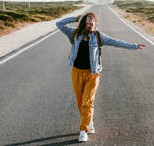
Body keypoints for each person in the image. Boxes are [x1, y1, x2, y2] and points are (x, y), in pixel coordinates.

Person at [55, 11, 146, 142]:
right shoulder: (74, 33)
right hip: (76, 72)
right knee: (80, 103)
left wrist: (134, 46)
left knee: (87, 102)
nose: (91, 18)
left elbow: (116, 42)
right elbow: (59, 23)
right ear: (84, 20)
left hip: (92, 74)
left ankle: (83, 130)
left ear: (95, 22)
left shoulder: (98, 36)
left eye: (93, 18)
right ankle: (89, 121)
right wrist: (75, 18)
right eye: (89, 17)